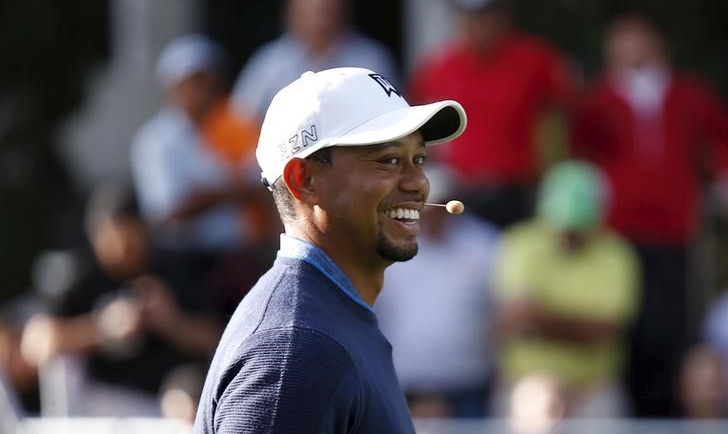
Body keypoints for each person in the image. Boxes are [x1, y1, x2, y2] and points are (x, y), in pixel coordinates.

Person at [194, 67, 467, 433]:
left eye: (418, 159)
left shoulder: (325, 322)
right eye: (388, 159)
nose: (418, 183)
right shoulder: (298, 349)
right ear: (304, 181)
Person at [571, 13, 728, 417]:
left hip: (676, 233)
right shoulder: (598, 98)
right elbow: (580, 155)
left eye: (636, 40)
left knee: (674, 328)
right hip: (618, 233)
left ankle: (673, 414)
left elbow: (718, 144)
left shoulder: (689, 94)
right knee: (626, 325)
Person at [19, 181, 226, 416]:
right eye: (111, 238)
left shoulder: (172, 266)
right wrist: (101, 328)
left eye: (128, 237)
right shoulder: (83, 275)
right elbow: (35, 342)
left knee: (185, 398)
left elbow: (216, 339)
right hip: (101, 400)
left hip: (166, 398)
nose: (120, 248)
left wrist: (169, 321)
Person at [407, 0, 577, 229]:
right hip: (459, 193)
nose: (478, 24)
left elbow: (562, 118)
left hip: (518, 191)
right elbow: (417, 129)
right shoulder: (439, 67)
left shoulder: (534, 60)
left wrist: (550, 177)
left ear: (503, 16)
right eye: (470, 15)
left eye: (486, 15)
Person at [491, 161, 640, 418]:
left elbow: (606, 330)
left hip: (595, 390)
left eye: (577, 227)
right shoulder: (520, 243)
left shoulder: (617, 254)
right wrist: (578, 327)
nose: (568, 233)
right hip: (527, 387)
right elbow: (514, 319)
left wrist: (538, 321)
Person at [376, 163, 500, 418]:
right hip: (405, 383)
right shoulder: (390, 247)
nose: (433, 213)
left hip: (469, 383)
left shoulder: (485, 245)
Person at [131, 34, 268, 253]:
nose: (202, 91)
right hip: (184, 258)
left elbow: (261, 183)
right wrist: (228, 191)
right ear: (172, 87)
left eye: (208, 81)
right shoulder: (154, 140)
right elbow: (167, 212)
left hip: (239, 253)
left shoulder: (237, 125)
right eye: (192, 83)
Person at [231, 0, 398, 119]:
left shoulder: (370, 59)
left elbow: (392, 115)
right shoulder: (269, 62)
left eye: (329, 7)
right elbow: (240, 120)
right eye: (315, 8)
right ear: (289, 11)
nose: (322, 15)